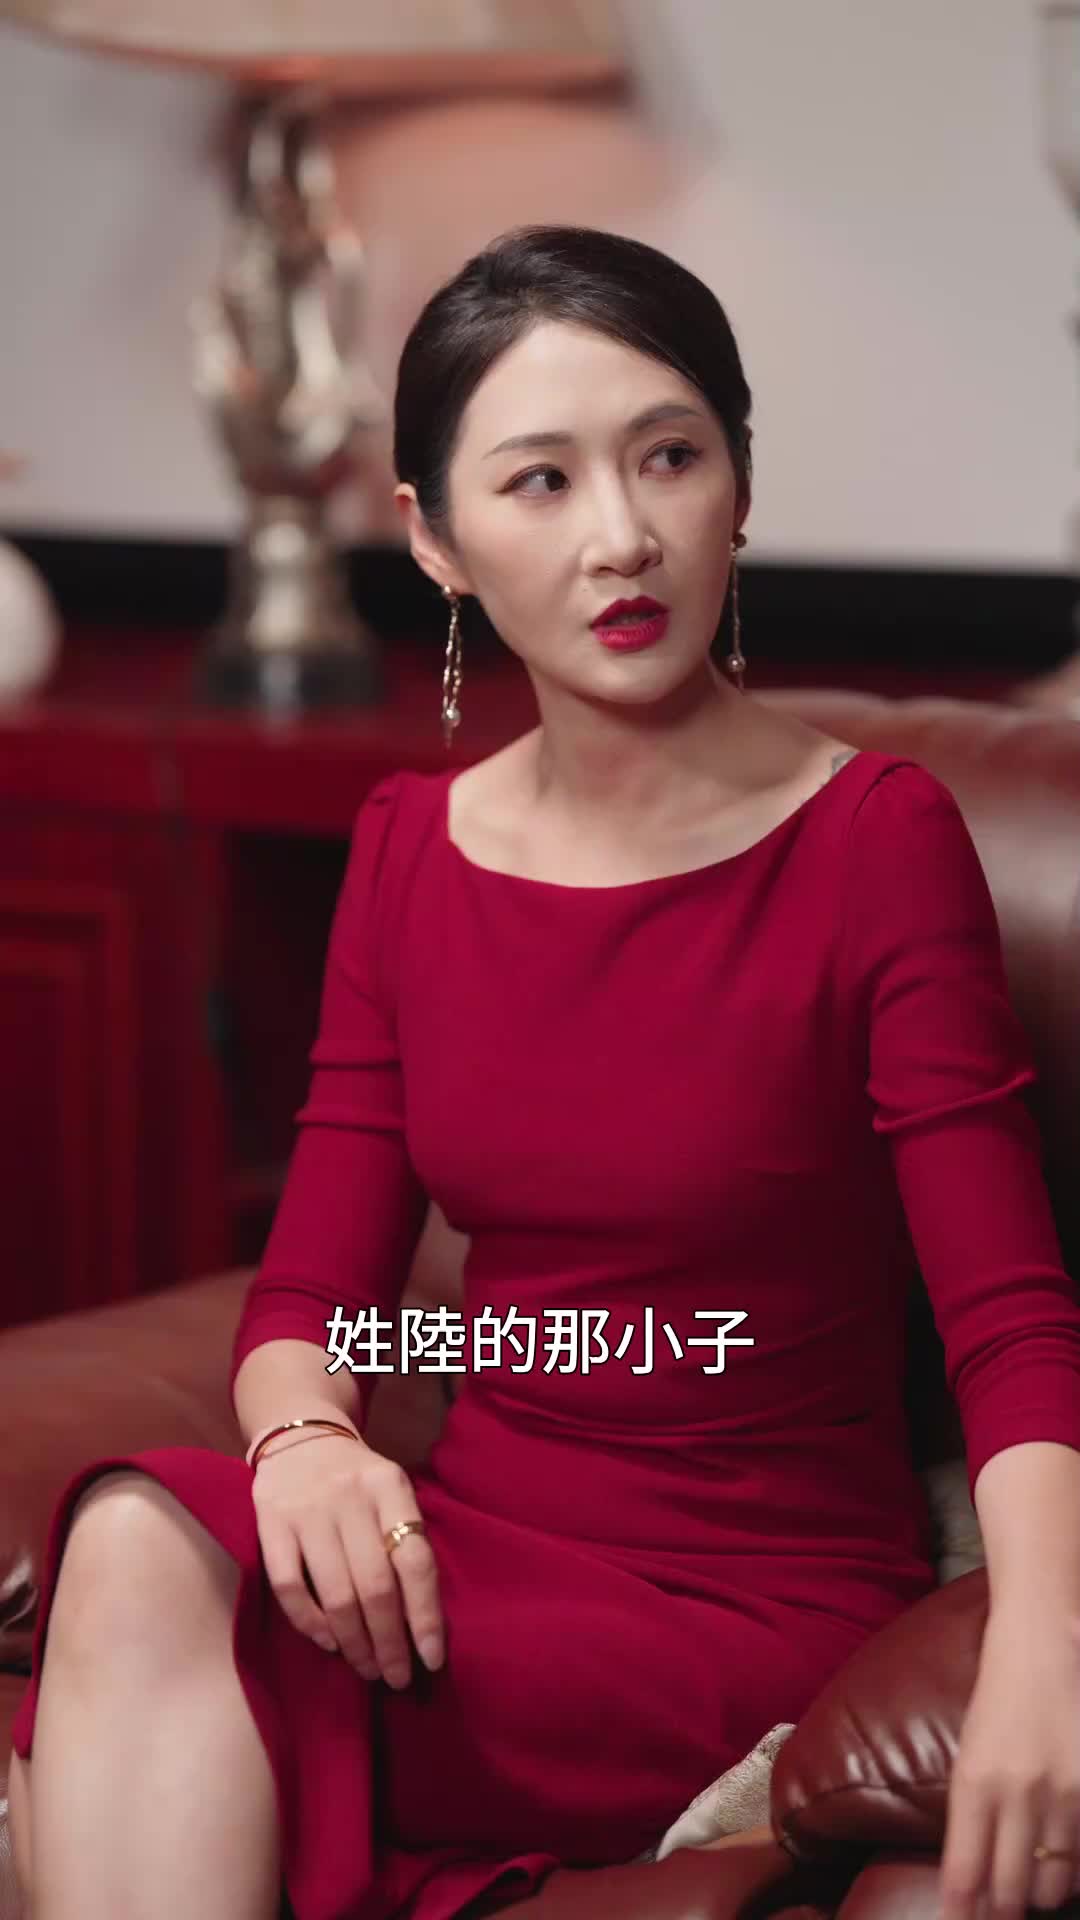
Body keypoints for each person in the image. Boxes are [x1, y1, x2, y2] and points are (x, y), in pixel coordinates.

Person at [8, 223, 1080, 1920]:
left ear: (740, 486)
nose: (622, 535)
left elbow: (1007, 1322)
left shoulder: (877, 843)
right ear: (436, 539)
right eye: (541, 481)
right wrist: (312, 1439)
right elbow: (324, 1301)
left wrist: (1044, 1642)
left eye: (670, 456)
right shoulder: (409, 852)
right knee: (143, 1543)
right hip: (462, 1562)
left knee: (139, 1611)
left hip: (744, 1601)